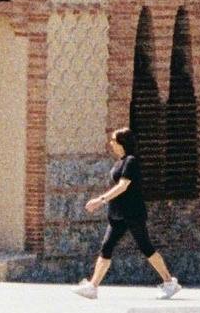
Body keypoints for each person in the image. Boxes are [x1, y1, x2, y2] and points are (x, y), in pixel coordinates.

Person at [75, 124, 181, 300]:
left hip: (132, 212)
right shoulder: (120, 161)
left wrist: (100, 201)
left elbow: (123, 186)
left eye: (114, 140)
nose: (111, 143)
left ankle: (169, 282)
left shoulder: (131, 161)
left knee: (146, 247)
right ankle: (93, 287)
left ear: (122, 143)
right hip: (118, 214)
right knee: (106, 247)